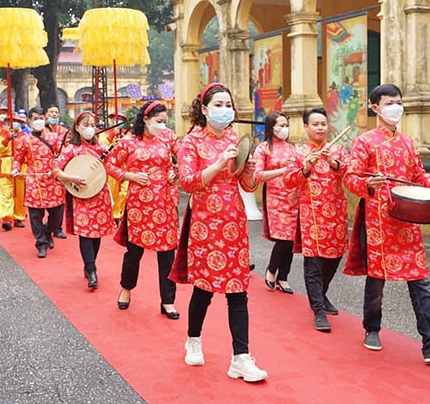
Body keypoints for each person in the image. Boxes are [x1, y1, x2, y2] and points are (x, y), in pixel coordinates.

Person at [343, 83, 430, 364]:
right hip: (378, 222)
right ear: (375, 107)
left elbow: (420, 180)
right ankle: (372, 328)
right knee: (377, 281)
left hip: (408, 222)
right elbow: (350, 178)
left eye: (399, 102)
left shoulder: (408, 143)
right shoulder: (364, 142)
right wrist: (368, 183)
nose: (395, 107)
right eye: (389, 102)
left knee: (420, 281)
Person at [171, 82, 267, 383]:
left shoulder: (234, 138)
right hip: (205, 220)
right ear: (204, 109)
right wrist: (218, 163)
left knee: (238, 289)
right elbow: (188, 183)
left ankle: (241, 357)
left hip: (234, 219)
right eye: (219, 105)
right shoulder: (190, 143)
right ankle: (194, 339)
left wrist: (248, 167)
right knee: (205, 287)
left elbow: (248, 186)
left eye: (229, 106)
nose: (225, 111)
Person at [109, 101, 180, 318]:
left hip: (165, 200)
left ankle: (168, 301)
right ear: (146, 120)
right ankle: (126, 289)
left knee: (167, 253)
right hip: (139, 203)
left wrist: (174, 172)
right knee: (134, 251)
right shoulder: (128, 142)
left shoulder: (169, 138)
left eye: (165, 122)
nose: (162, 126)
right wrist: (129, 175)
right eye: (158, 122)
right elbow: (110, 165)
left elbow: (183, 160)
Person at [286, 107, 349, 332]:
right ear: (306, 127)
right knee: (313, 263)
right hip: (311, 215)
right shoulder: (298, 152)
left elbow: (351, 176)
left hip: (337, 215)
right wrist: (306, 168)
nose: (320, 128)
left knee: (333, 260)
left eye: (323, 124)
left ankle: (321, 295)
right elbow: (288, 181)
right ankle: (318, 310)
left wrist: (333, 163)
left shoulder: (339, 151)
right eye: (315, 124)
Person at [54, 111, 117, 289]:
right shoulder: (70, 149)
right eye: (86, 125)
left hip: (99, 194)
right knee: (85, 233)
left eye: (92, 125)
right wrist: (72, 178)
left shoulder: (101, 147)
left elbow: (112, 166)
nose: (90, 129)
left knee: (96, 234)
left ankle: (90, 264)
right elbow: (56, 171)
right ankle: (91, 269)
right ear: (77, 127)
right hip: (81, 197)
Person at [253, 111, 298, 294]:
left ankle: (284, 277)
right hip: (275, 197)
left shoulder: (293, 147)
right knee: (283, 238)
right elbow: (258, 175)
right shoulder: (263, 148)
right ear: (271, 127)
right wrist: (282, 171)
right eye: (281, 125)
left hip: (294, 196)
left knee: (292, 240)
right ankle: (271, 270)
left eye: (286, 125)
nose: (284, 129)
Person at [12, 107, 65, 258]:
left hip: (53, 181)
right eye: (35, 119)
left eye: (41, 118)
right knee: (35, 217)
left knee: (56, 214)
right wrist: (15, 169)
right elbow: (18, 159)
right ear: (29, 121)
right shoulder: (23, 140)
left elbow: (61, 157)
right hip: (33, 182)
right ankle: (41, 243)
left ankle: (48, 232)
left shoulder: (54, 138)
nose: (39, 121)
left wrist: (54, 169)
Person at [0, 113, 28, 230]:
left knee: (19, 194)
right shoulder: (2, 134)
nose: (15, 123)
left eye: (18, 121)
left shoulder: (25, 136)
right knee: (6, 192)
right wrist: (7, 138)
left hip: (20, 168)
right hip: (6, 166)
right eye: (12, 121)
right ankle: (7, 218)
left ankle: (19, 217)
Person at [45, 104, 69, 239]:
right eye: (51, 112)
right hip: (44, 169)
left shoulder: (64, 131)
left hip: (60, 168)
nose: (54, 114)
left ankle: (57, 228)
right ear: (46, 115)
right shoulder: (42, 131)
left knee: (60, 199)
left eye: (56, 112)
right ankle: (44, 225)